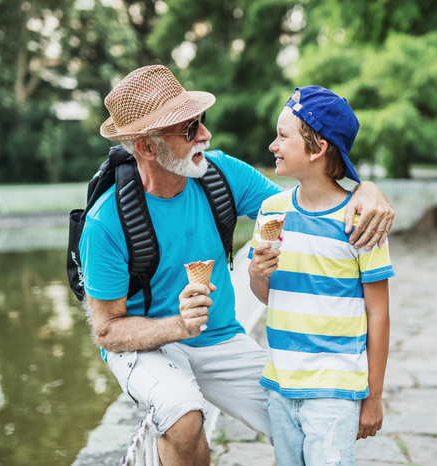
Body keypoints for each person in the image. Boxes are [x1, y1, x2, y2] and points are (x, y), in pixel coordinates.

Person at [80, 65, 395, 466]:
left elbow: (308, 197)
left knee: (305, 411)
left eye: (202, 122)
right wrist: (177, 326)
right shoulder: (105, 223)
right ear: (146, 147)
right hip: (147, 346)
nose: (206, 135)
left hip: (220, 338)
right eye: (189, 129)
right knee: (182, 416)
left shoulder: (220, 175)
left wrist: (365, 189)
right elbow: (108, 331)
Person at [248, 86, 394, 465]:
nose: (272, 145)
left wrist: (373, 396)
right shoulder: (271, 210)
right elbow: (266, 295)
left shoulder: (362, 223)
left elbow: (378, 313)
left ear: (317, 149)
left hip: (335, 389)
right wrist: (257, 272)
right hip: (280, 382)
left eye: (283, 136)